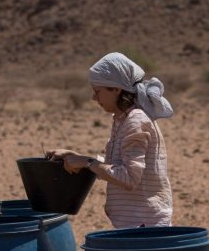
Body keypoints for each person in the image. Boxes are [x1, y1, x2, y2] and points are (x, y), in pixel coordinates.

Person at [48, 52, 174, 228]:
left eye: (98, 91)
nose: (94, 98)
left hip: (145, 227)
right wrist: (76, 156)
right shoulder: (122, 119)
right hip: (135, 224)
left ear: (116, 89)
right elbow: (116, 166)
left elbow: (129, 178)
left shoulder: (136, 120)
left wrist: (86, 162)